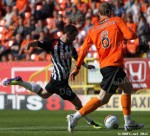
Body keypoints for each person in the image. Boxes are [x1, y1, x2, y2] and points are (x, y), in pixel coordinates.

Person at [3, 24, 102, 129]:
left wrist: (86, 66)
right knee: (78, 104)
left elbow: (77, 58)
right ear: (68, 34)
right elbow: (38, 43)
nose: (75, 38)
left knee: (43, 94)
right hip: (60, 81)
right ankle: (91, 122)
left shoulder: (70, 46)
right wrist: (28, 44)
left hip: (56, 79)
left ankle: (19, 82)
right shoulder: (53, 43)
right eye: (74, 36)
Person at [67, 2, 144, 133]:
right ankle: (75, 117)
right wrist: (135, 34)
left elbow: (83, 50)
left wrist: (78, 67)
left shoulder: (92, 30)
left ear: (99, 14)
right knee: (103, 98)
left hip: (106, 66)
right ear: (110, 11)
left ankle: (129, 122)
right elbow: (130, 36)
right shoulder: (116, 21)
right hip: (113, 65)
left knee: (127, 88)